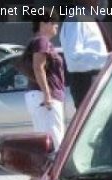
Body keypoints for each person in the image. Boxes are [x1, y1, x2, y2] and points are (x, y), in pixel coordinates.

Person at [23, 15, 66, 154]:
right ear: (43, 23)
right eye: (53, 22)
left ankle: (49, 171)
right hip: (45, 96)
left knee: (49, 138)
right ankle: (55, 173)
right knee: (54, 140)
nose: (56, 26)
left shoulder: (39, 42)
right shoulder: (42, 41)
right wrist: (47, 95)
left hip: (42, 95)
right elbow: (38, 67)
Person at [60, 0, 112, 109]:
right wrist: (110, 58)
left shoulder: (89, 19)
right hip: (87, 81)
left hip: (96, 78)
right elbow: (74, 58)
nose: (102, 2)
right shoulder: (76, 19)